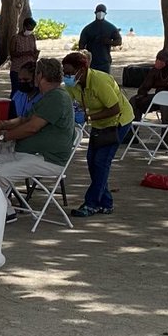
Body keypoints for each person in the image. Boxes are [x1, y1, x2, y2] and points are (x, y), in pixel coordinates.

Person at [0, 57, 77, 222]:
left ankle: (6, 212)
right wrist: (0, 125)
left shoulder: (57, 98)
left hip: (47, 159)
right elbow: (23, 120)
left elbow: (32, 127)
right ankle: (2, 207)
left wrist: (4, 136)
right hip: (32, 154)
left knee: (0, 174)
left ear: (40, 76)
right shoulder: (49, 96)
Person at [62, 51, 134, 217]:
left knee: (101, 162)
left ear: (82, 70)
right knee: (92, 162)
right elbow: (67, 102)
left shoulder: (100, 81)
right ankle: (106, 203)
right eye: (64, 73)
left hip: (118, 122)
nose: (67, 76)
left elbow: (114, 109)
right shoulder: (72, 85)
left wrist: (87, 117)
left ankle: (91, 204)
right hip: (98, 124)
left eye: (70, 73)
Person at [77, 4, 122, 74]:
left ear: (105, 13)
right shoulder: (88, 29)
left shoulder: (110, 28)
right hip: (91, 62)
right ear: (95, 13)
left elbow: (119, 41)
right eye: (99, 11)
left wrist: (108, 41)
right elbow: (81, 45)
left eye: (102, 11)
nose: (100, 13)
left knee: (105, 79)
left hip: (105, 61)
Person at [8, 17, 39, 94]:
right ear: (24, 27)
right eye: (29, 28)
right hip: (17, 69)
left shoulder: (32, 37)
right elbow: (12, 54)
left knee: (30, 90)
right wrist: (25, 53)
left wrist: (35, 54)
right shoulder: (15, 38)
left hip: (30, 69)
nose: (30, 30)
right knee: (16, 90)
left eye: (32, 29)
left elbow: (34, 49)